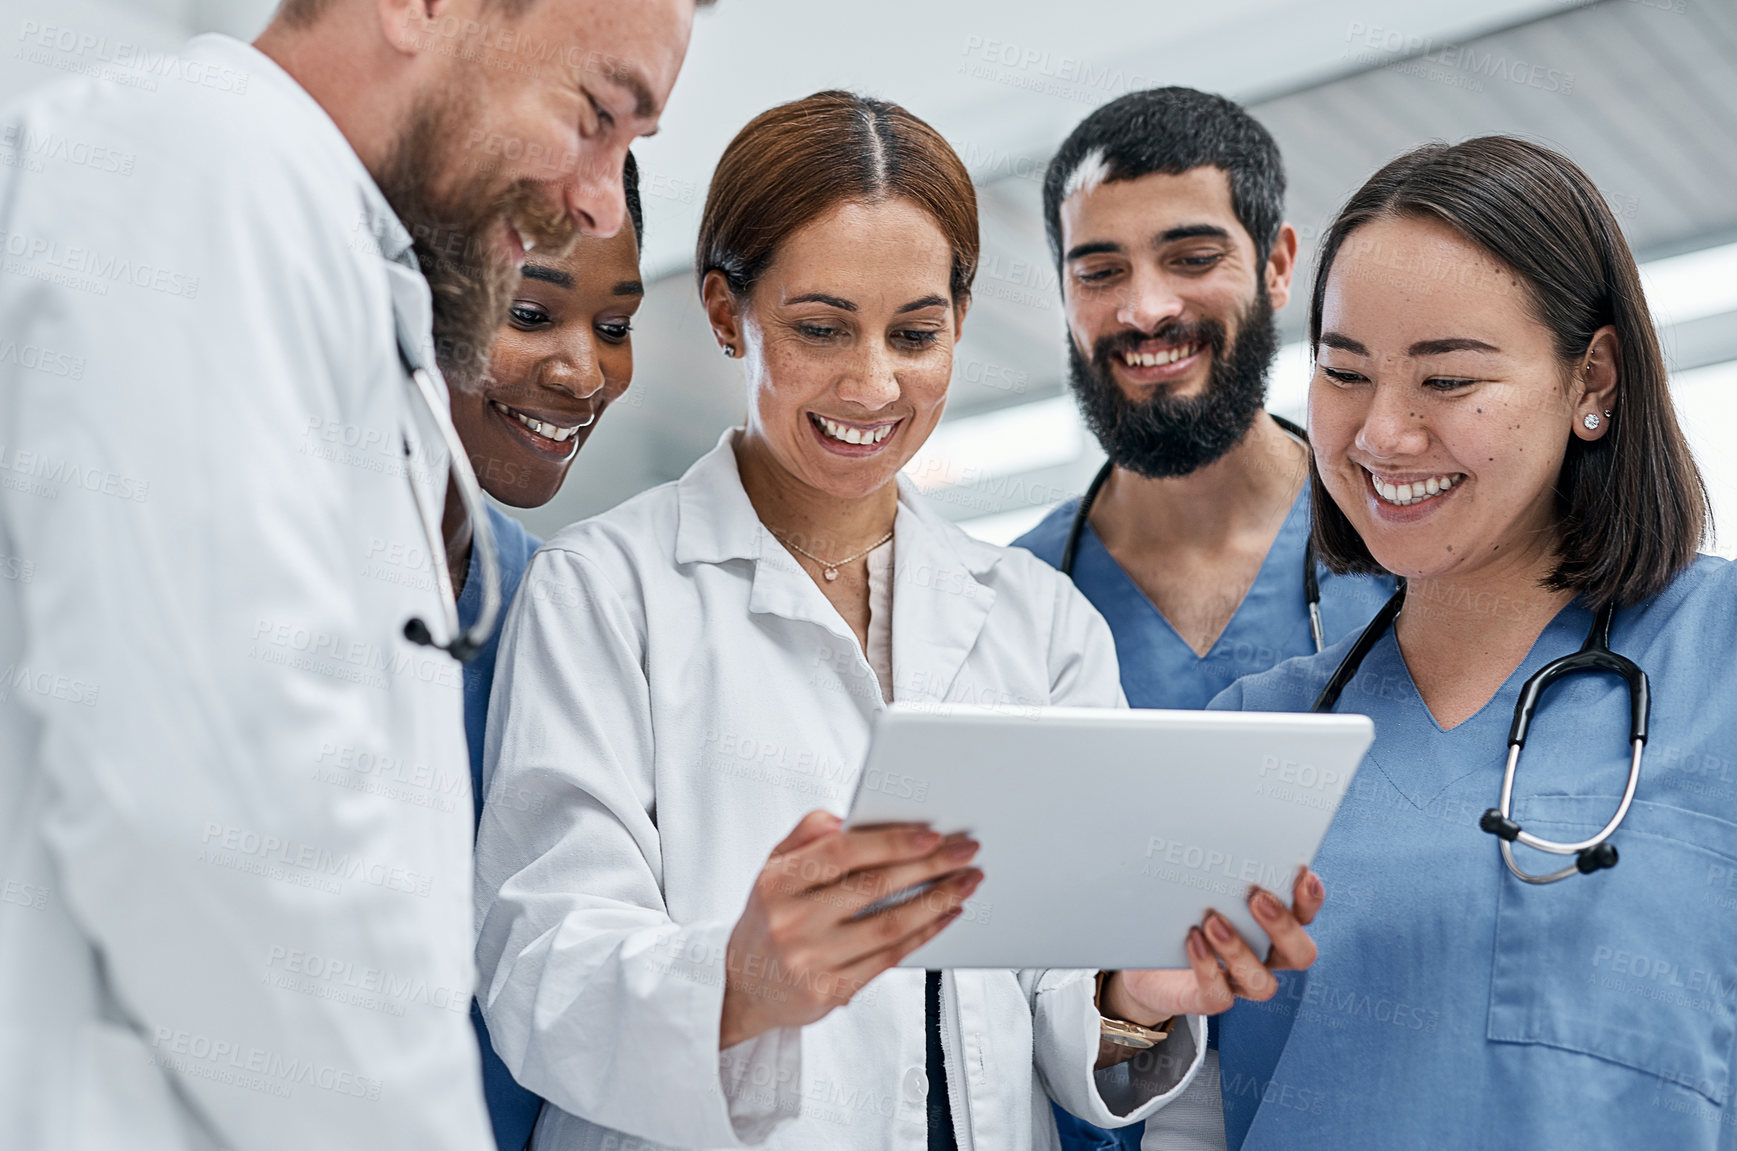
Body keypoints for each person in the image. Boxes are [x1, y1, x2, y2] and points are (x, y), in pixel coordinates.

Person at [473, 90, 1324, 1151]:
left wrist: (1133, 989)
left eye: (915, 332)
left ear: (960, 322)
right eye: (821, 327)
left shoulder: (1039, 621)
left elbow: (1057, 984)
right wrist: (743, 978)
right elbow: (539, 965)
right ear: (729, 312)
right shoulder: (605, 591)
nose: (873, 382)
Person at [0, 1, 692, 1147]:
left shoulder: (382, 324)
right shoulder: (194, 172)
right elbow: (222, 820)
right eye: (593, 114)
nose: (602, 200)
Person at [1208, 136, 1733, 1149]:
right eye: (1343, 372)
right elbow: (1172, 1099)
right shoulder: (1255, 731)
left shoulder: (1721, 662)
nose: (1381, 435)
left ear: (1595, 379)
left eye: (1447, 380)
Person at [1012, 88, 1391, 1150]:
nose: (1143, 309)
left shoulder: (1412, 557)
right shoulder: (1004, 607)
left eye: (1189, 256)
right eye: (1098, 270)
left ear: (1277, 264)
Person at [443, 155, 645, 1151]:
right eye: (531, 314)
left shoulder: (562, 600)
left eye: (614, 326)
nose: (582, 371)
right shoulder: (274, 578)